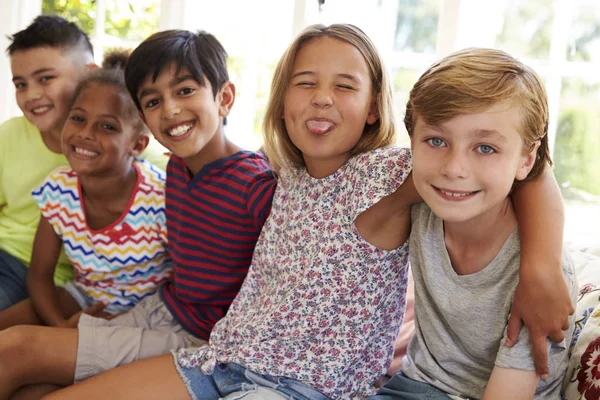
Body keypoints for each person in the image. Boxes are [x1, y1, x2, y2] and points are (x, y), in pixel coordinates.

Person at [39, 25, 569, 400]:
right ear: (282, 100)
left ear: (372, 108)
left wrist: (540, 266)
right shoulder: (279, 171)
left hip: (299, 387)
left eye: (344, 86)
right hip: (216, 360)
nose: (321, 99)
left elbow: (524, 168)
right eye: (305, 83)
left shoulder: (393, 172)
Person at [0, 30, 276, 399]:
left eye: (184, 91)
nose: (171, 110)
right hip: (160, 308)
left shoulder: (257, 184)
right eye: (153, 101)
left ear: (224, 98)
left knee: (15, 350)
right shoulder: (176, 169)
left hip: (204, 341)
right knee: (26, 379)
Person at [371, 48, 577, 400]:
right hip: (414, 386)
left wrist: (540, 264)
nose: (454, 169)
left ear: (526, 160)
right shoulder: (422, 200)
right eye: (436, 141)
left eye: (484, 148)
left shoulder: (541, 277)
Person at [0, 15, 168, 312]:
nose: (32, 95)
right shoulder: (12, 137)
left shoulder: (146, 168)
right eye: (20, 84)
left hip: (56, 279)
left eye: (45, 78)